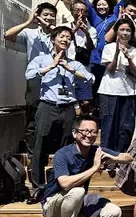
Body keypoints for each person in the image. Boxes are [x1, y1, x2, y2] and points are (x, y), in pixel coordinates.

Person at [41, 115, 131, 217]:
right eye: (85, 131)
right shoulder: (63, 154)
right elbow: (65, 184)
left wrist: (112, 158)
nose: (89, 135)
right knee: (77, 191)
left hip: (77, 201)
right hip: (53, 203)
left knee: (115, 213)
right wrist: (95, 168)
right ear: (74, 133)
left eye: (94, 132)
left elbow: (128, 158)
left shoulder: (96, 151)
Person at [25, 26, 94, 198]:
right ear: (53, 39)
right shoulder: (41, 59)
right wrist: (51, 66)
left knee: (66, 146)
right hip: (47, 106)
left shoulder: (74, 63)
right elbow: (29, 75)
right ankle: (38, 187)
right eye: (62, 36)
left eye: (68, 38)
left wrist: (71, 70)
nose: (65, 40)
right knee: (40, 145)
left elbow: (90, 78)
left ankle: (60, 184)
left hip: (68, 108)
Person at [4, 3, 57, 159]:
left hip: (54, 78)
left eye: (52, 15)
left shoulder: (58, 34)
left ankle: (48, 149)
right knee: (33, 114)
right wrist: (28, 21)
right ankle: (33, 153)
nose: (49, 17)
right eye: (46, 14)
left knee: (52, 115)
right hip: (35, 78)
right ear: (38, 16)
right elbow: (8, 35)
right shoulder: (30, 33)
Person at [98, 18, 136, 152]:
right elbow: (110, 69)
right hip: (109, 91)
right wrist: (117, 52)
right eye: (122, 30)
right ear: (116, 32)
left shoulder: (134, 51)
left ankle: (121, 156)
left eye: (128, 30)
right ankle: (105, 155)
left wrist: (128, 57)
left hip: (129, 92)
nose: (125, 33)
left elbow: (135, 72)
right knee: (108, 125)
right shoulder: (108, 48)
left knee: (125, 127)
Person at [85, 0, 125, 106]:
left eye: (104, 4)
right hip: (96, 56)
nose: (101, 7)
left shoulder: (114, 15)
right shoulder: (94, 17)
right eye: (99, 5)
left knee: (107, 84)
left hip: (110, 56)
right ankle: (94, 108)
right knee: (95, 84)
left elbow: (121, 1)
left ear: (109, 5)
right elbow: (87, 3)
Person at [66, 0, 97, 114]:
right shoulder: (65, 27)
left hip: (83, 68)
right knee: (69, 100)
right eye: (77, 10)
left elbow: (91, 48)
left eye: (83, 11)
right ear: (72, 11)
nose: (80, 13)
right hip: (67, 66)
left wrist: (86, 33)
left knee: (85, 102)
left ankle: (83, 120)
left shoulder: (91, 29)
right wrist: (74, 29)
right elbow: (61, 43)